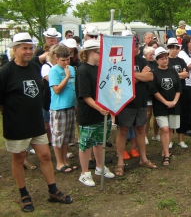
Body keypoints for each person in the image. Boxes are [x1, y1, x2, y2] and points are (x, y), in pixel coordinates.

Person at [0, 32, 72, 212]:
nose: (28, 51)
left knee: (45, 156)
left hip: (36, 122)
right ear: (14, 50)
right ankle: (24, 194)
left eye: (30, 48)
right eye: (24, 48)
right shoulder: (5, 72)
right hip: (16, 124)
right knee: (19, 158)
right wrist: (13, 115)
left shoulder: (33, 67)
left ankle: (53, 191)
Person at [115, 31, 157, 176]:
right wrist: (140, 76)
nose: (135, 47)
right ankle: (120, 162)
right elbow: (121, 80)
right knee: (123, 131)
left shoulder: (143, 61)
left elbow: (150, 76)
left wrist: (132, 76)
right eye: (132, 45)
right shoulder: (120, 61)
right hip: (126, 102)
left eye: (137, 44)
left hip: (141, 100)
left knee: (140, 129)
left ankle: (143, 159)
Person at [76, 40, 115, 186]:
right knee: (86, 143)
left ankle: (100, 167)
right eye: (100, 52)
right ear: (91, 53)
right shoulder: (83, 70)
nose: (102, 55)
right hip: (89, 113)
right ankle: (84, 173)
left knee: (100, 141)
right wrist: (99, 107)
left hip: (102, 112)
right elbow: (85, 96)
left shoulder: (98, 68)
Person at [150, 47, 182, 165]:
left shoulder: (173, 71)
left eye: (166, 58)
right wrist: (165, 102)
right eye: (162, 58)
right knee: (163, 128)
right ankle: (167, 156)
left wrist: (174, 100)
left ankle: (166, 150)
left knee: (170, 129)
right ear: (157, 60)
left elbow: (179, 88)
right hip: (160, 105)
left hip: (174, 104)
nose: (165, 60)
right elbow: (154, 90)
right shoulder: (154, 73)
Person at [48, 46, 77, 173]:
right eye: (63, 60)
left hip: (70, 106)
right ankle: (59, 163)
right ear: (56, 58)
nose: (66, 63)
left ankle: (65, 161)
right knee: (58, 136)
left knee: (67, 137)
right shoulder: (54, 71)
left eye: (68, 60)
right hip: (59, 107)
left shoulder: (71, 69)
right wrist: (66, 77)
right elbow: (57, 90)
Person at [167, 38, 189, 148]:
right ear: (168, 48)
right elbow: (167, 75)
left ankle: (181, 140)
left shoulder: (181, 61)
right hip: (170, 92)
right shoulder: (166, 60)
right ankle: (170, 140)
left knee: (183, 115)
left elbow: (186, 74)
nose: (175, 50)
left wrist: (175, 75)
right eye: (172, 48)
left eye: (176, 48)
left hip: (182, 90)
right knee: (171, 115)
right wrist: (179, 75)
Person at [143, 46, 160, 143]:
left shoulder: (156, 63)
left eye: (154, 54)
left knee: (157, 114)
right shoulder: (144, 64)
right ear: (145, 55)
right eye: (150, 55)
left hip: (156, 91)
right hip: (147, 92)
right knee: (148, 114)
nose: (152, 56)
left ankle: (155, 134)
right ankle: (145, 135)